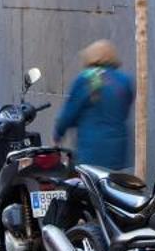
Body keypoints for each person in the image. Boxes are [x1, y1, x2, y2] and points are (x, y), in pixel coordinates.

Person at [53, 39, 136, 172]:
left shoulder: (86, 78)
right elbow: (125, 111)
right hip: (119, 149)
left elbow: (69, 114)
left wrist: (58, 133)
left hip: (92, 149)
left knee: (90, 187)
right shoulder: (125, 80)